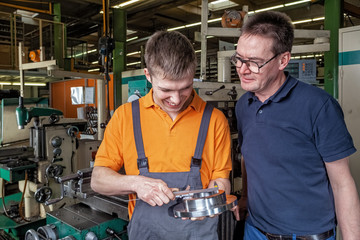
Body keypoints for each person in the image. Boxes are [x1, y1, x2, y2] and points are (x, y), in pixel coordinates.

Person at [91, 30, 233, 240]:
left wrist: (207, 201)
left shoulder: (214, 120)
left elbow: (222, 181)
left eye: (185, 87)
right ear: (148, 75)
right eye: (166, 89)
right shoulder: (125, 117)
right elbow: (98, 180)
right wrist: (136, 184)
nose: (176, 99)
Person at [232, 11, 360, 240]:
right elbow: (248, 157)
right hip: (255, 231)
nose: (243, 69)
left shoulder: (318, 106)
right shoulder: (244, 105)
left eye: (254, 62)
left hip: (305, 235)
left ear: (283, 60)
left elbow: (342, 184)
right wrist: (245, 198)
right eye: (239, 59)